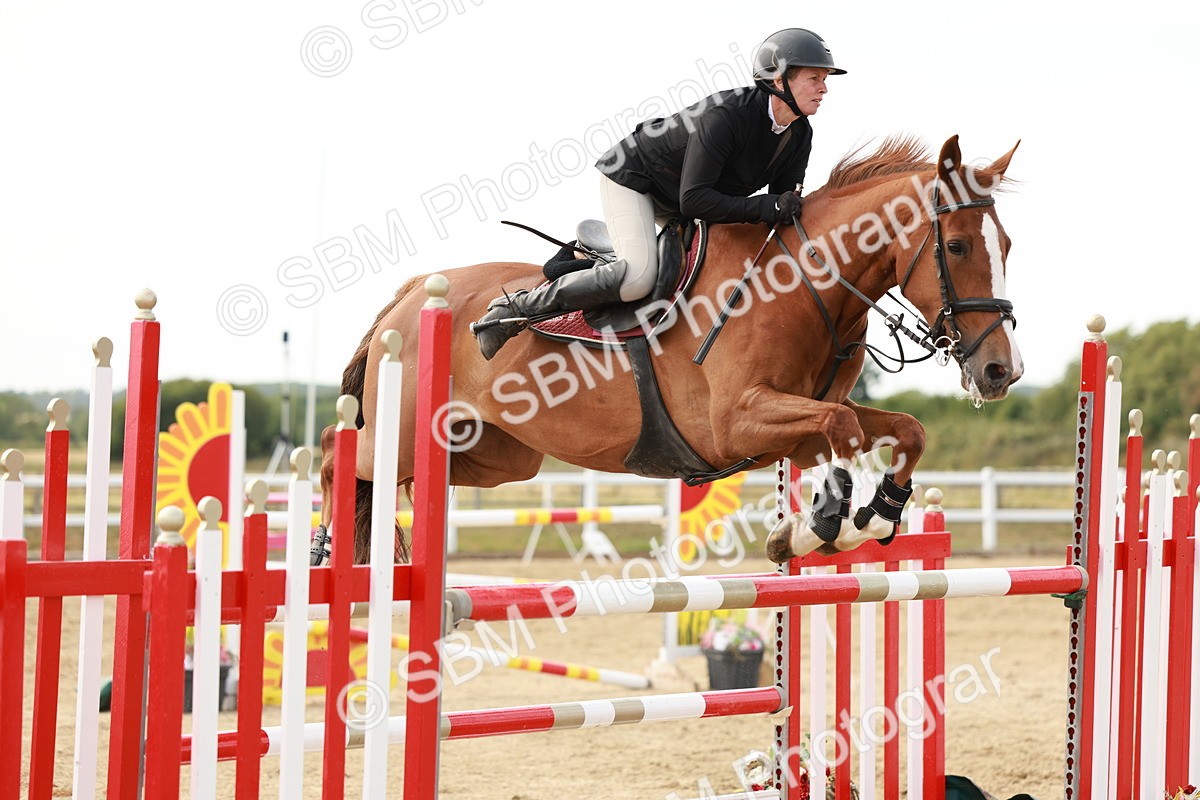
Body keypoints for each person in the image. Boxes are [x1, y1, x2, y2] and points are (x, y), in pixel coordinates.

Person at [471, 28, 846, 360]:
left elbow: (779, 209)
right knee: (637, 277)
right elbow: (696, 201)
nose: (824, 88)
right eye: (815, 78)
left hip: (693, 194)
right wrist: (770, 205)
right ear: (778, 80)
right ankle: (513, 309)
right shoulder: (726, 116)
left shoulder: (800, 134)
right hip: (637, 179)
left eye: (825, 79)